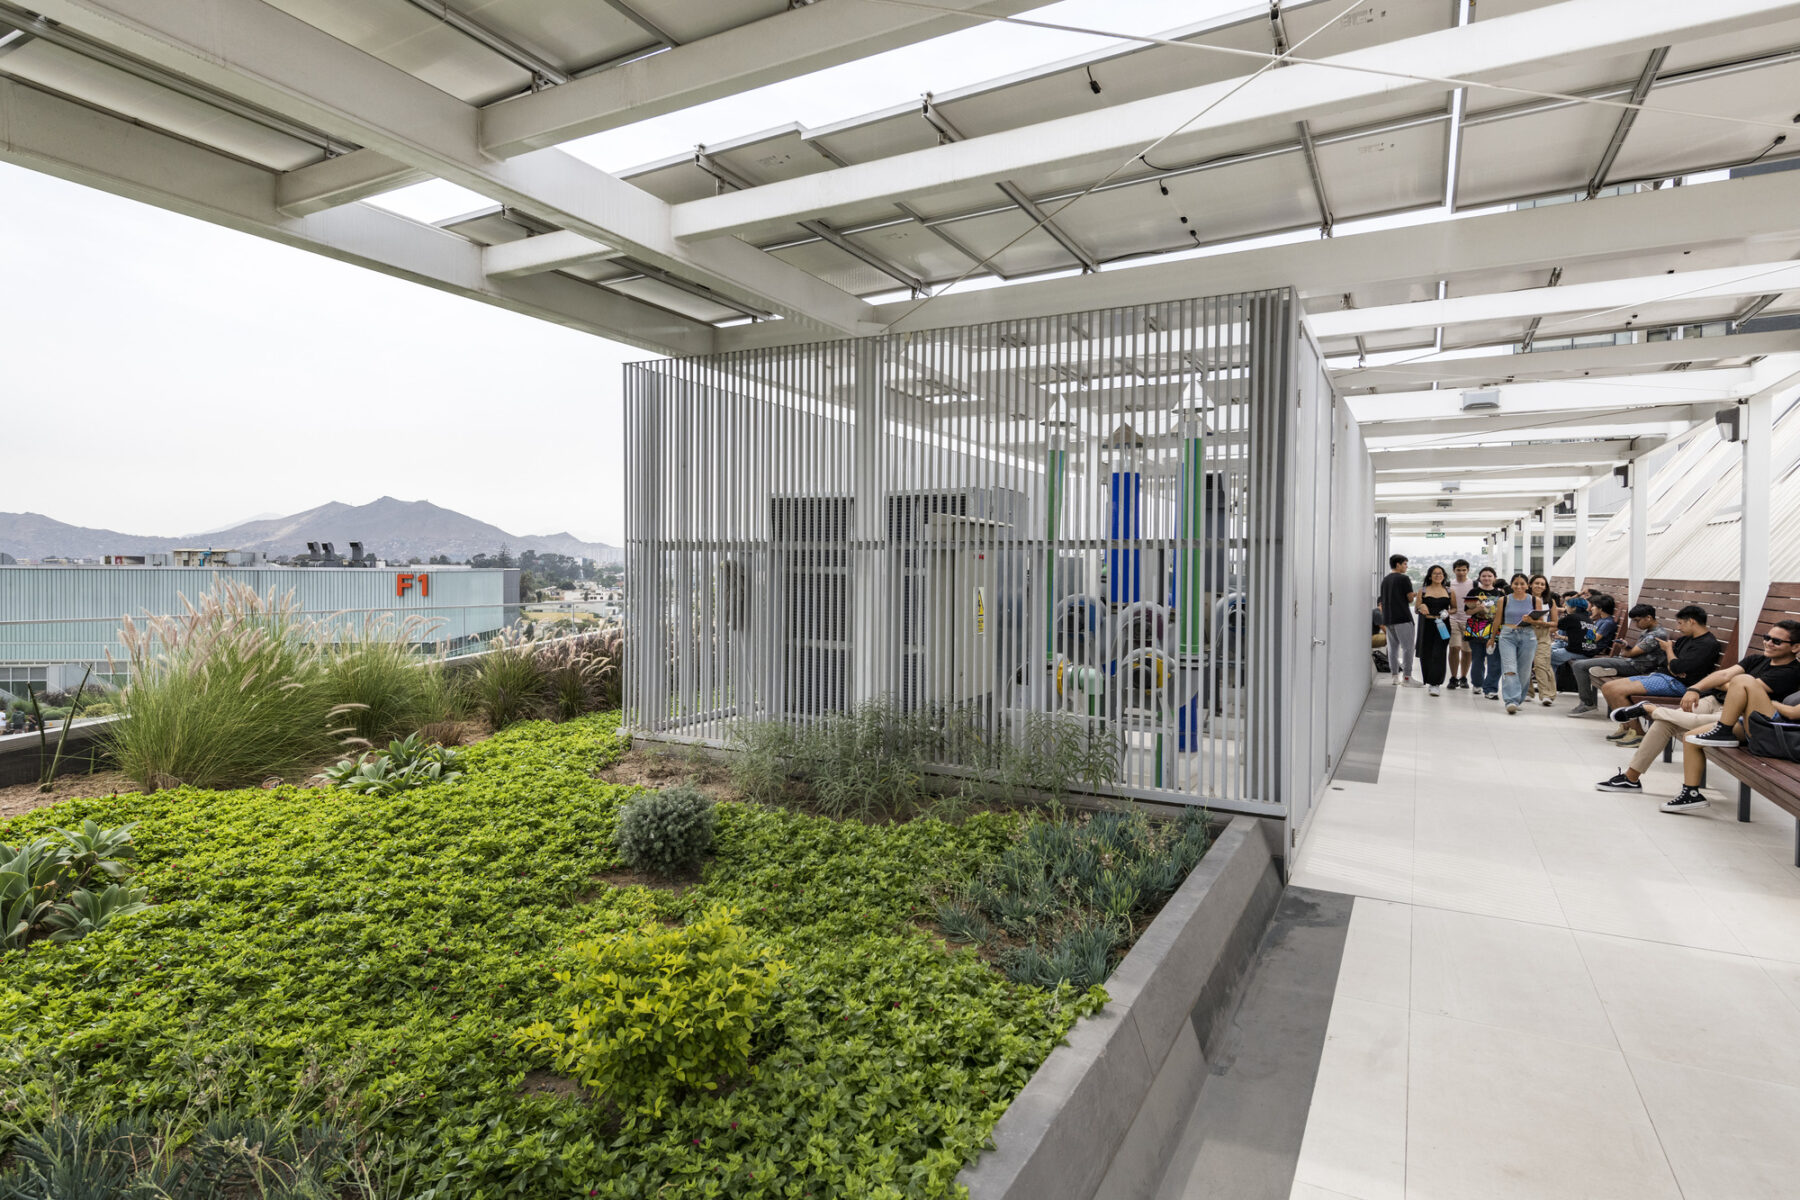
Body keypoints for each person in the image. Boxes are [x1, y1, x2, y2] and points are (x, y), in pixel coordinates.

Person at [1596, 620, 1800, 811]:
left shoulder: (1791, 672)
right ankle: (1632, 779)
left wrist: (1731, 683)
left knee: (1686, 721)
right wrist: (1694, 688)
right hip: (1714, 701)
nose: (1769, 643)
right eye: (1767, 637)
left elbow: (1743, 687)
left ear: (1795, 647)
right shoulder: (1758, 659)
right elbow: (1723, 677)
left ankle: (1649, 709)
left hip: (1742, 717)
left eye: (1777, 641)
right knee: (1664, 722)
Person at [1596, 606, 1722, 739]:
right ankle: (1627, 728)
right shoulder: (1685, 639)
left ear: (1691, 621)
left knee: (1616, 690)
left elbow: (1676, 667)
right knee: (1608, 687)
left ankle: (1637, 733)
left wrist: (1669, 651)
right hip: (1664, 676)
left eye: (1680, 623)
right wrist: (1674, 665)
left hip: (1679, 685)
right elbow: (1668, 664)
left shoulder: (1707, 644)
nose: (1678, 628)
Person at [1567, 604, 1669, 718]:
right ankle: (1609, 670)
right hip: (1629, 662)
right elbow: (1636, 651)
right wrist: (1625, 645)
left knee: (1578, 665)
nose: (1636, 624)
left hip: (1635, 667)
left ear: (1648, 618)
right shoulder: (1650, 630)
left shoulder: (1656, 635)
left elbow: (1631, 653)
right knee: (1580, 664)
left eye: (1637, 621)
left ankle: (1588, 703)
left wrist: (1625, 650)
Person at [1495, 572, 1543, 713]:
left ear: (1527, 586)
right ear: (1511, 585)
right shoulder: (1504, 600)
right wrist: (1492, 638)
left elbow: (1540, 622)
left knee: (1524, 671)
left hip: (1528, 636)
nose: (1519, 586)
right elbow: (1498, 620)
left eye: (1522, 584)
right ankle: (1511, 700)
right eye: (1516, 583)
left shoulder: (1535, 600)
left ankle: (1518, 699)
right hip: (1507, 635)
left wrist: (1531, 620)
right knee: (1509, 668)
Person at [1462, 566, 1506, 699]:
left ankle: (1491, 688)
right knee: (1477, 658)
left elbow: (1504, 613)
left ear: (1494, 578)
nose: (1486, 578)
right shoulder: (1473, 592)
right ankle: (1477, 684)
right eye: (1484, 576)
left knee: (1494, 660)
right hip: (1477, 628)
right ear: (1480, 577)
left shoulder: (1501, 594)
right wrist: (1478, 608)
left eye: (1489, 576)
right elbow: (1467, 612)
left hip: (1495, 629)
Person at [1378, 554, 1418, 687]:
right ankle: (1407, 677)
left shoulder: (1385, 580)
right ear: (1398, 564)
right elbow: (1409, 599)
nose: (1406, 567)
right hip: (1403, 618)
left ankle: (1395, 677)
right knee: (1408, 648)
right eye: (1405, 564)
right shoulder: (1404, 579)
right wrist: (1415, 595)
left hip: (1389, 619)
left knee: (1393, 648)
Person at [1415, 564, 1454, 696]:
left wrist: (1447, 612)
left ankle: (1435, 683)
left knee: (1439, 652)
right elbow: (1416, 608)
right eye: (1435, 573)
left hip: (1443, 624)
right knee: (1427, 653)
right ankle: (1429, 679)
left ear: (1444, 576)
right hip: (1427, 624)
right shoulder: (1423, 590)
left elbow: (1454, 608)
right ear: (1430, 576)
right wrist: (1422, 606)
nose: (1438, 576)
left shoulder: (1449, 591)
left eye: (1440, 573)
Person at [1526, 574, 1560, 706]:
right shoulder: (1524, 599)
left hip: (1543, 635)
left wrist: (1544, 628)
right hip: (1526, 633)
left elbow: (1555, 623)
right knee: (1526, 664)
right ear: (1530, 585)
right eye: (1537, 583)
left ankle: (1547, 694)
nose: (1539, 586)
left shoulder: (1550, 601)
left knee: (1542, 664)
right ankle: (1527, 692)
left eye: (1542, 584)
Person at [1447, 560, 1475, 690]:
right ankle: (1453, 677)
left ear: (1468, 570)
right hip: (1453, 618)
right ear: (1454, 570)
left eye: (1464, 570)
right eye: (1458, 570)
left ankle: (1463, 677)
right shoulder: (1449, 585)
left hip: (1470, 620)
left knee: (1467, 650)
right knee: (1454, 647)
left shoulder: (1474, 584)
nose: (1461, 572)